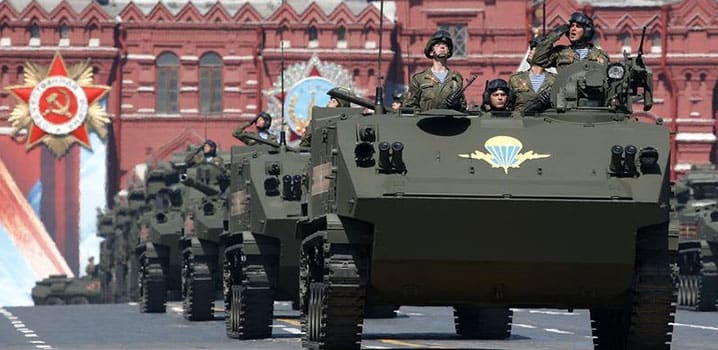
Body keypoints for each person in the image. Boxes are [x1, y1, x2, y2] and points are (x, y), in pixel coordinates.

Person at [403, 30, 466, 112]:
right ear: (431, 52)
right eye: (438, 45)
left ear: (448, 51)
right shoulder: (420, 79)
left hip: (450, 122)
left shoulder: (456, 78)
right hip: (426, 123)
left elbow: (463, 106)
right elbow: (409, 106)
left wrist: (457, 104)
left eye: (446, 45)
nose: (442, 47)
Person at [532, 12, 609, 70]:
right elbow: (538, 60)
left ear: (586, 31)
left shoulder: (599, 55)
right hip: (565, 90)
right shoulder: (560, 52)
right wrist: (554, 35)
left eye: (578, 26)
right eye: (572, 26)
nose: (573, 29)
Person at [509, 36, 557, 113]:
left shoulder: (555, 80)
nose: (531, 51)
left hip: (547, 122)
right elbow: (508, 106)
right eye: (531, 48)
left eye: (536, 49)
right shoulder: (516, 79)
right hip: (520, 122)